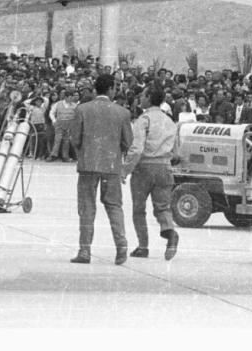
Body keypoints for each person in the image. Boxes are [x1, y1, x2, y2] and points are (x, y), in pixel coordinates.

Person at [68, 74, 133, 265]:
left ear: (96, 89)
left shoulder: (82, 109)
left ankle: (85, 250)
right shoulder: (122, 113)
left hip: (88, 164)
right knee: (114, 206)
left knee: (87, 208)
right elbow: (128, 141)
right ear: (111, 89)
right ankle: (121, 247)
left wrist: (83, 152)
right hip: (112, 166)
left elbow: (75, 139)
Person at [122, 87, 180, 260]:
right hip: (165, 167)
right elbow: (176, 151)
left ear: (148, 97)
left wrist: (125, 170)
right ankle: (170, 233)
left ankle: (143, 245)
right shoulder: (169, 120)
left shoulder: (143, 119)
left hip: (144, 168)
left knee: (139, 209)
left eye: (143, 95)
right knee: (163, 207)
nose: (141, 98)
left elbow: (137, 148)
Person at [48, 89, 78, 162]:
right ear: (66, 97)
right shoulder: (58, 104)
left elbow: (77, 115)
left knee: (66, 141)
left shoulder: (75, 105)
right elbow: (51, 113)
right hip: (59, 123)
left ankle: (65, 156)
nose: (72, 99)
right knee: (58, 139)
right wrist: (54, 120)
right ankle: (53, 155)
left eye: (72, 97)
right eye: (70, 97)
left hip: (69, 124)